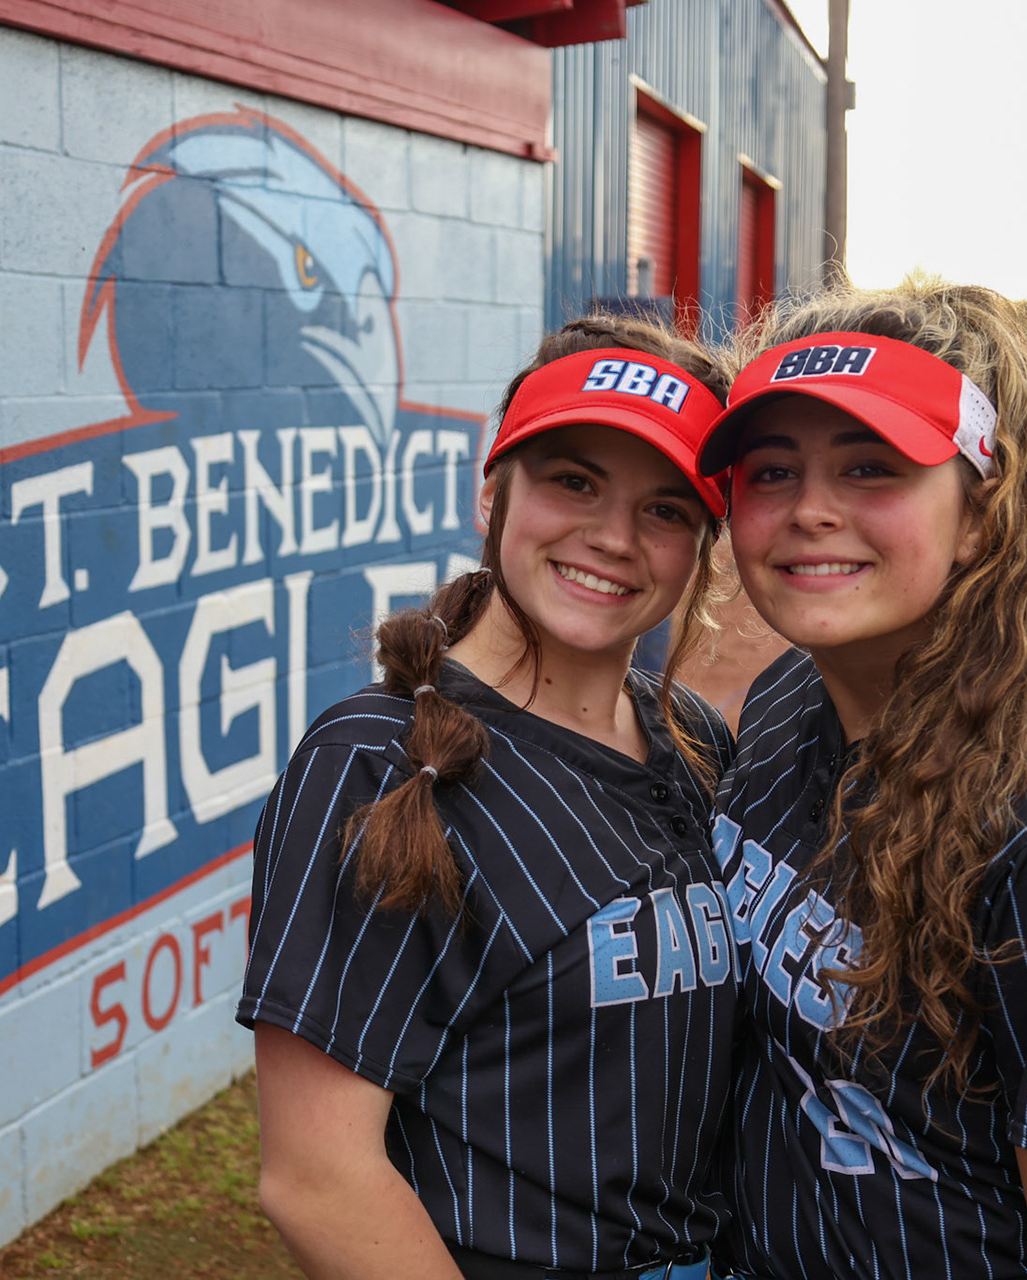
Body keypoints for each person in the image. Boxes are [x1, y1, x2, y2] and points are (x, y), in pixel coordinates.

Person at [695, 284, 1027, 1280]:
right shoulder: (792, 693)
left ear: (978, 517)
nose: (810, 510)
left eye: (871, 468)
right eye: (773, 470)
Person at [239, 317, 741, 1280]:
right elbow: (317, 1177)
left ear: (701, 547)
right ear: (492, 493)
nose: (613, 538)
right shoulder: (380, 763)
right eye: (574, 481)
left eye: (667, 509)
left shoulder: (691, 739)